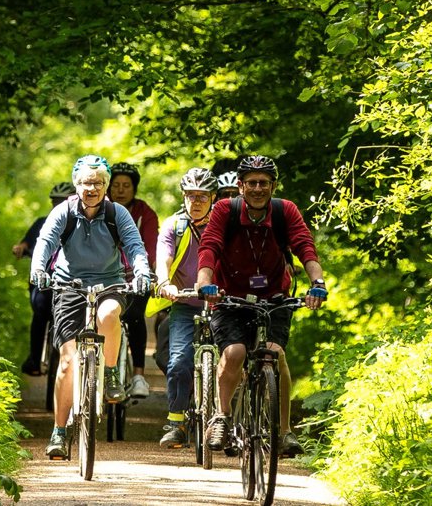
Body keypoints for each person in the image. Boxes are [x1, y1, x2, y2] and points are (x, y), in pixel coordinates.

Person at [195, 154, 328, 458]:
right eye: (251, 183)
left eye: (264, 183)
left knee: (276, 354)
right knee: (235, 352)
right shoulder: (224, 210)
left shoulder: (285, 211)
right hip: (229, 297)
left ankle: (283, 432)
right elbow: (210, 247)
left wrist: (317, 284)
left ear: (273, 186)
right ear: (240, 186)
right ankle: (222, 416)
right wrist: (205, 283)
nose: (257, 188)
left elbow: (304, 246)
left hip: (274, 297)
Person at [30, 155, 154, 459]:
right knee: (69, 362)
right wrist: (38, 269)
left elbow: (135, 246)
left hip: (109, 283)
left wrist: (142, 272)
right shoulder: (64, 212)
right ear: (77, 184)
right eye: (86, 182)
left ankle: (111, 373)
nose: (92, 188)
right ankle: (59, 432)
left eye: (98, 183)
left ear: (106, 185)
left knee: (109, 314)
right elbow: (45, 242)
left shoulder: (117, 213)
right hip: (68, 285)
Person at [149, 167, 218, 448]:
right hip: (186, 304)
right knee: (178, 362)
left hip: (221, 305)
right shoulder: (174, 226)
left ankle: (231, 419)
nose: (196, 202)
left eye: (202, 196)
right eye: (190, 196)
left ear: (213, 197)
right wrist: (165, 282)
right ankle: (176, 422)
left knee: (235, 360)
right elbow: (163, 258)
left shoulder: (223, 224)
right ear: (183, 197)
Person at [12, 181, 76, 375]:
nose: (58, 205)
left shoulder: (81, 223)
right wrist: (21, 248)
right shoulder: (42, 222)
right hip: (46, 281)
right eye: (55, 201)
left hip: (72, 282)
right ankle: (34, 358)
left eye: (63, 201)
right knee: (40, 310)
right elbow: (26, 242)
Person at [108, 161, 159, 399]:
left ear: (134, 188)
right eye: (115, 185)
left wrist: (147, 271)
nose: (120, 190)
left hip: (135, 277)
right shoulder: (100, 209)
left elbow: (150, 245)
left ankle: (138, 375)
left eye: (125, 185)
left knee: (135, 316)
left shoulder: (144, 213)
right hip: (104, 277)